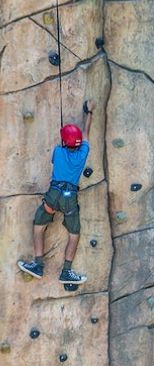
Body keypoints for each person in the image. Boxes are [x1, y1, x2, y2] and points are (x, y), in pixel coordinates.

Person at [17, 100, 95, 285]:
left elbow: (62, 152)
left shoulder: (58, 152)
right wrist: (89, 112)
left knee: (39, 226)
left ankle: (37, 264)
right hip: (69, 198)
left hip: (53, 195)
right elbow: (86, 134)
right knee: (74, 235)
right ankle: (66, 271)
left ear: (64, 142)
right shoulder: (84, 152)